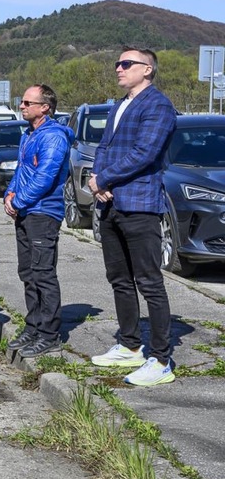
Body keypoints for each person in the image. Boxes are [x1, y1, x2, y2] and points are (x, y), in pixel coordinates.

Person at [88, 48, 178, 387]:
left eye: (127, 64)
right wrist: (98, 181)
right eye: (117, 64)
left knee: (149, 282)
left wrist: (105, 178)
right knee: (119, 278)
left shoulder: (158, 105)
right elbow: (104, 148)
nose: (119, 69)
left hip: (139, 204)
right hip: (111, 203)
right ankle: (129, 345)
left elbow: (145, 153)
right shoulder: (119, 105)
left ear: (148, 69)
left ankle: (161, 359)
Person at [3, 84, 72, 359]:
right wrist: (10, 192)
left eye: (27, 102)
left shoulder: (53, 137)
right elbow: (22, 170)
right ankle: (33, 327)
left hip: (43, 212)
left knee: (43, 273)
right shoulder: (29, 134)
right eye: (22, 101)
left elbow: (45, 178)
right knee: (28, 273)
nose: (22, 106)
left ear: (45, 107)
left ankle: (49, 334)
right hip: (25, 211)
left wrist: (19, 201)